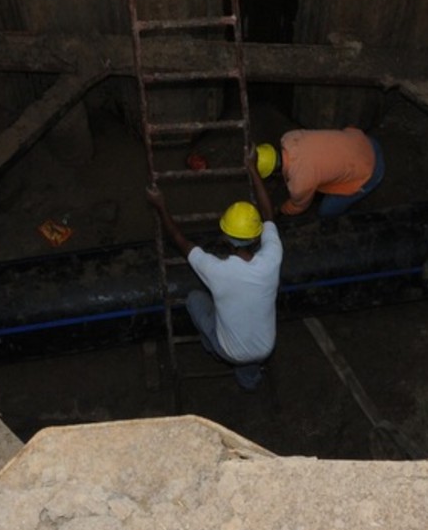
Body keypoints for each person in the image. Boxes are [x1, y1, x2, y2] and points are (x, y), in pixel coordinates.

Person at [145, 152, 282, 391]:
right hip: (265, 348)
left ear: (226, 237)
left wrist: (161, 206)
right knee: (247, 349)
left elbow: (180, 241)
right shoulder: (272, 257)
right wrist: (252, 168)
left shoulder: (217, 270)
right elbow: (269, 215)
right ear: (257, 235)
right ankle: (249, 380)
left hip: (231, 352)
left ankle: (212, 347)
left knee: (195, 299)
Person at [255, 128, 385, 218]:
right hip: (365, 141)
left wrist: (282, 210)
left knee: (326, 211)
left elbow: (299, 206)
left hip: (370, 171)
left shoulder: (299, 184)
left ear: (273, 173)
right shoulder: (289, 137)